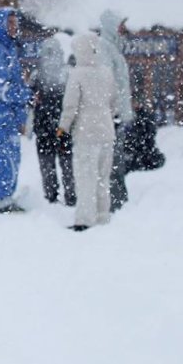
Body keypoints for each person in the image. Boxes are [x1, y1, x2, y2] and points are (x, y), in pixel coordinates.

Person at [59, 33, 126, 231]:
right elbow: (114, 102)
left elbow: (70, 106)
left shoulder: (77, 74)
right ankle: (103, 215)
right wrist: (105, 116)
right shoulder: (106, 72)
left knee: (85, 177)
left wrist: (63, 128)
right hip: (106, 132)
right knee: (102, 178)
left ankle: (84, 219)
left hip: (85, 133)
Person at [0, 7, 32, 212]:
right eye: (9, 23)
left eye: (15, 23)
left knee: (12, 155)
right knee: (6, 156)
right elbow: (2, 88)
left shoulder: (9, 48)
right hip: (2, 114)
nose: (14, 27)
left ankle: (5, 194)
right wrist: (25, 95)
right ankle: (2, 198)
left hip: (8, 114)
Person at [31, 35, 76, 206]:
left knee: (48, 164)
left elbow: (30, 99)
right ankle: (70, 196)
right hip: (62, 126)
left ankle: (52, 196)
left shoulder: (38, 75)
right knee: (66, 163)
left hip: (45, 126)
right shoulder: (67, 73)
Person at [96, 9, 133, 211]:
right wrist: (114, 111)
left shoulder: (113, 49)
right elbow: (107, 84)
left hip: (115, 115)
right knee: (112, 160)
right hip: (111, 117)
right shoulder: (104, 49)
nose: (123, 29)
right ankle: (114, 201)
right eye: (120, 24)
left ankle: (117, 198)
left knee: (116, 159)